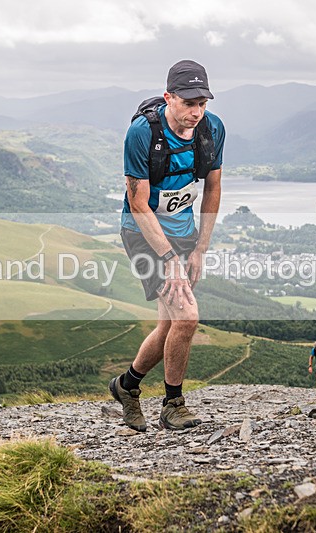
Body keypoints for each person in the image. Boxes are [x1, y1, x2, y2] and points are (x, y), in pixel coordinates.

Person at [109, 60, 225, 432]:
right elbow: (139, 203)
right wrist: (170, 258)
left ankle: (126, 386)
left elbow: (213, 188)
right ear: (168, 98)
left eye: (202, 103)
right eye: (188, 103)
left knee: (170, 323)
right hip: (143, 232)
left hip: (184, 231)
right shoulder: (143, 133)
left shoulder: (212, 129)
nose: (196, 112)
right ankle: (173, 403)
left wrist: (200, 248)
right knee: (188, 317)